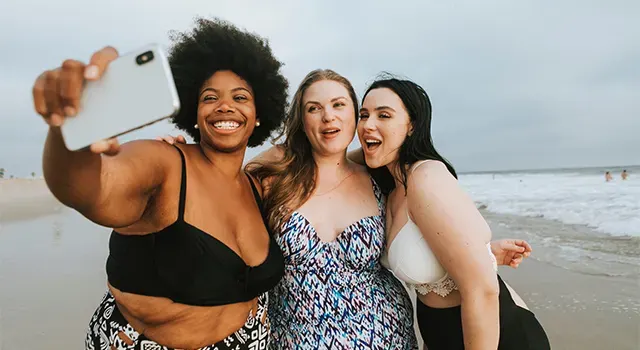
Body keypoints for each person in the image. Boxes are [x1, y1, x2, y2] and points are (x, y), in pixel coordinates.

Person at [160, 70, 533, 349]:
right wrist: (182, 159)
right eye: (314, 108)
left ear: (353, 116)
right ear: (301, 120)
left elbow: (428, 230)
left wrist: (480, 253)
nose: (328, 117)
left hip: (388, 336)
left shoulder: (381, 176)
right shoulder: (270, 175)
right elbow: (213, 193)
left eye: (339, 105)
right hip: (297, 338)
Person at [31, 18, 289, 350]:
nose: (225, 106)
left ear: (257, 115)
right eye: (210, 97)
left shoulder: (257, 187)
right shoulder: (165, 162)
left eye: (240, 97)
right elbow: (91, 189)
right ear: (194, 113)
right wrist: (69, 132)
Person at [355, 76, 550, 349]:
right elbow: (336, 158)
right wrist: (487, 253)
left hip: (497, 335)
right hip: (441, 333)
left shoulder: (426, 177)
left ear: (412, 126)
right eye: (363, 115)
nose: (368, 125)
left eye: (384, 115)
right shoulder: (392, 187)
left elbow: (482, 289)